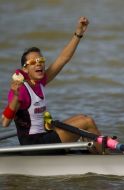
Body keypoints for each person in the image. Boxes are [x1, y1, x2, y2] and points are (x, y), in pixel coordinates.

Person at [1, 17, 101, 152]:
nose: (38, 64)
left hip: (44, 135)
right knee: (87, 122)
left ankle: (94, 152)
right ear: (25, 69)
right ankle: (104, 155)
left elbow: (63, 59)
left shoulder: (40, 82)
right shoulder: (21, 90)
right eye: (33, 62)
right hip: (34, 145)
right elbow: (5, 122)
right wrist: (15, 98)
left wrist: (78, 34)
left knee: (82, 118)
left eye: (40, 60)